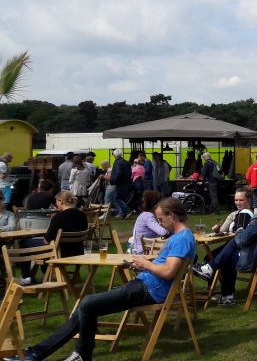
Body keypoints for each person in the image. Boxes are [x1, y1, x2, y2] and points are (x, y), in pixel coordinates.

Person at [16, 197, 196, 361]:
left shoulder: (182, 239)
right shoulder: (180, 237)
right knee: (86, 306)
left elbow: (168, 272)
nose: (160, 223)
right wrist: (142, 265)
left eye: (160, 219)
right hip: (145, 285)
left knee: (87, 304)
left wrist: (145, 264)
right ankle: (38, 352)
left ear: (171, 215)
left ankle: (78, 354)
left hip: (149, 290)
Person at [192, 182, 257, 306]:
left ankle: (225, 293)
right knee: (234, 249)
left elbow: (243, 240)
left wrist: (239, 232)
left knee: (231, 254)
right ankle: (212, 271)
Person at [17, 191, 87, 286]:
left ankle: (26, 277)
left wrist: (54, 221)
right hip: (78, 252)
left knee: (25, 242)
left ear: (61, 201)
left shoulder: (59, 217)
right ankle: (46, 274)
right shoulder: (82, 215)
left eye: (56, 202)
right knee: (46, 247)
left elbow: (47, 241)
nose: (55, 205)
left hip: (60, 253)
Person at [110, 149, 133, 220]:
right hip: (127, 182)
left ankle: (128, 211)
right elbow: (130, 173)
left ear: (114, 155)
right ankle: (123, 215)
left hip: (120, 182)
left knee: (117, 198)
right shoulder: (126, 162)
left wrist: (114, 181)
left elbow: (118, 173)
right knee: (123, 199)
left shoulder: (117, 163)